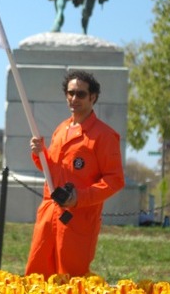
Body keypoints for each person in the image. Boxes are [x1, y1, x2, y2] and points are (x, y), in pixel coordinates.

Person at [25, 70, 124, 278]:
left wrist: (79, 197)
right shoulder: (61, 129)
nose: (73, 98)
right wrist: (39, 153)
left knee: (72, 283)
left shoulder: (104, 136)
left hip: (78, 221)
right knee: (38, 275)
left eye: (80, 94)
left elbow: (115, 180)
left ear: (93, 97)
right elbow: (54, 170)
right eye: (70, 93)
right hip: (49, 215)